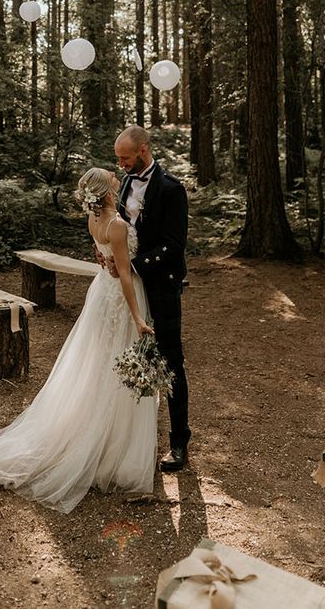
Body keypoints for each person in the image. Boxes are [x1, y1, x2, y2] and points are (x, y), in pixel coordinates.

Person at [0, 168, 158, 513]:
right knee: (114, 364)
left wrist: (107, 261)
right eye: (111, 177)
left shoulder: (95, 221)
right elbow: (125, 274)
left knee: (100, 364)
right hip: (119, 297)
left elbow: (105, 259)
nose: (117, 177)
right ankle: (109, 448)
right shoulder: (116, 226)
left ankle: (104, 439)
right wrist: (138, 317)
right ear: (106, 191)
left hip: (102, 293)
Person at [112, 125, 191, 472]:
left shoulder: (172, 190)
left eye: (125, 158)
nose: (121, 165)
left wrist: (133, 265)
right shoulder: (126, 183)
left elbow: (174, 247)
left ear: (143, 150)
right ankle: (130, 439)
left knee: (171, 361)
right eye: (118, 159)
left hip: (160, 284)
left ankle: (179, 442)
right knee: (129, 356)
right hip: (130, 286)